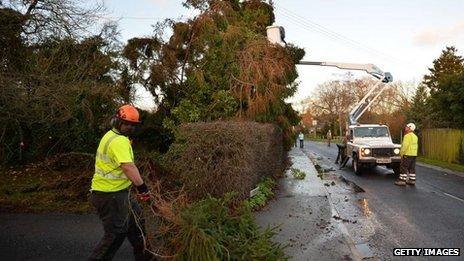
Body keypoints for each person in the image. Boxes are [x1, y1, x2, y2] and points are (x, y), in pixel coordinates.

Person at [89, 105, 152, 261]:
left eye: (133, 125)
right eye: (126, 124)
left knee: (137, 226)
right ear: (117, 121)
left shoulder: (111, 135)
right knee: (116, 234)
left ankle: (146, 258)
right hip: (109, 195)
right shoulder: (119, 141)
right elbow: (128, 167)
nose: (129, 127)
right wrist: (142, 188)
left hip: (121, 193)